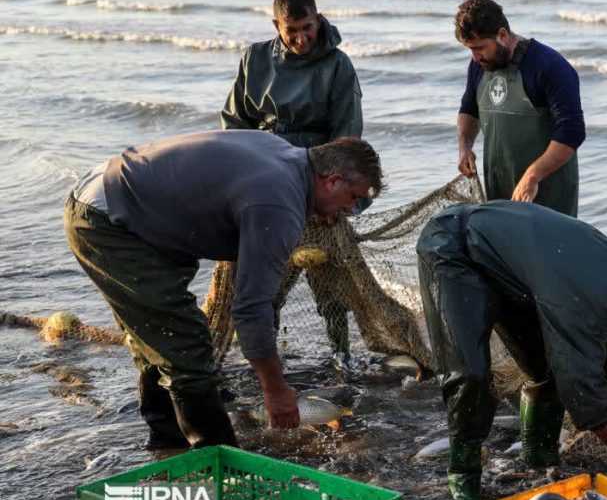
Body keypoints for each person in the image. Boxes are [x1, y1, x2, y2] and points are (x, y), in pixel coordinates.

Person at [64, 131, 383, 450]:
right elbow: (250, 307)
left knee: (160, 335)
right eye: (353, 198)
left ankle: (169, 445)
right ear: (333, 181)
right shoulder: (279, 203)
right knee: (184, 343)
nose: (349, 210)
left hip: (128, 199)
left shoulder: (286, 156)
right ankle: (214, 458)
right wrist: (275, 391)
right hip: (109, 218)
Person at [417, 200, 607, 500]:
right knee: (470, 374)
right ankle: (464, 480)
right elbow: (579, 381)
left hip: (511, 276)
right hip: (454, 249)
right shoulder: (596, 290)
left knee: (548, 371)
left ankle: (539, 462)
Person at [221, 0, 366, 367]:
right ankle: (264, 360)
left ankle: (342, 355)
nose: (301, 39)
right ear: (276, 27)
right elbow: (235, 124)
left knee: (331, 285)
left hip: (319, 179)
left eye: (307, 29)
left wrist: (330, 194)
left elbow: (347, 136)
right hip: (266, 178)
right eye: (292, 32)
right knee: (262, 284)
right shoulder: (254, 59)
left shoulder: (338, 65)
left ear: (319, 21)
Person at [454, 0, 585, 217]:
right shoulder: (479, 66)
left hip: (548, 199)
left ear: (502, 34)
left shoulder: (550, 66)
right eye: (470, 50)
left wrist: (533, 175)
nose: (475, 57)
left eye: (480, 48)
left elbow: (572, 131)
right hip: (499, 196)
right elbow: (469, 109)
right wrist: (464, 147)